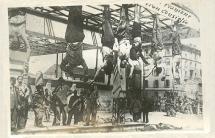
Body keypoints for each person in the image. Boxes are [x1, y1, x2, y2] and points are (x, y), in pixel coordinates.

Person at [60, 6, 88, 81]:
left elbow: (86, 69)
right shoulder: (67, 59)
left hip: (78, 38)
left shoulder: (80, 61)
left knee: (78, 22)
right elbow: (62, 66)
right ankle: (73, 7)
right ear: (69, 66)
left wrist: (85, 76)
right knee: (71, 20)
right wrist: (69, 71)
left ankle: (79, 9)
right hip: (70, 38)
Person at [93, 5, 116, 85]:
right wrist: (94, 79)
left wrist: (109, 82)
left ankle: (107, 9)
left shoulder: (111, 64)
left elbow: (109, 75)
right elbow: (99, 69)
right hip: (106, 42)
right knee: (106, 22)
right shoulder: (106, 64)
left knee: (108, 23)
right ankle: (106, 8)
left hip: (111, 42)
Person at [8, 8, 31, 74]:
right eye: (16, 44)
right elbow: (28, 48)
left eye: (13, 44)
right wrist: (27, 60)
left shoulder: (9, 35)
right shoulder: (21, 34)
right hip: (20, 13)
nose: (14, 42)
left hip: (13, 13)